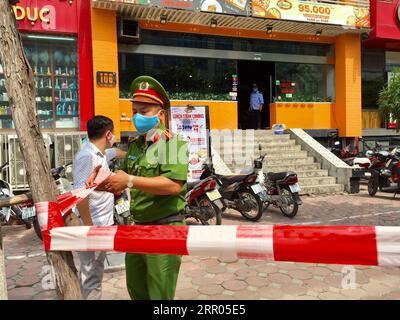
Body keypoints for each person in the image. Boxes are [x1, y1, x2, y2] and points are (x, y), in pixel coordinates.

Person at [87, 76, 189, 300]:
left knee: (159, 296)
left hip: (165, 228)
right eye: (135, 111)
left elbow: (173, 186)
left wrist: (129, 181)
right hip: (137, 227)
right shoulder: (135, 146)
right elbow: (121, 179)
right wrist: (102, 182)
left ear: (160, 114)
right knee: (137, 291)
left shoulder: (173, 144)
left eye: (145, 111)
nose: (138, 117)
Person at [72, 115, 121, 300]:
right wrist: (89, 227)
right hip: (93, 226)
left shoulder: (99, 154)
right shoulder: (87, 157)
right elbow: (80, 195)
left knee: (93, 273)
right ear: (108, 134)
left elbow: (114, 152)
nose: (114, 136)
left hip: (101, 224)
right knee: (91, 277)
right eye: (114, 133)